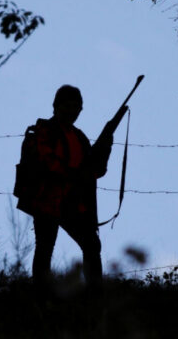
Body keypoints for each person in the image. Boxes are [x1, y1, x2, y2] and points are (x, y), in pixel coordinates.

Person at [16, 85, 120, 289]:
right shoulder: (43, 130)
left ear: (80, 110)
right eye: (66, 106)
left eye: (76, 107)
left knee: (91, 245)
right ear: (55, 106)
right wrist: (73, 174)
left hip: (74, 203)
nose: (71, 111)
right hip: (47, 199)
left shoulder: (79, 137)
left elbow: (95, 172)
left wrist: (105, 146)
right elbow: (46, 162)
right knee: (45, 247)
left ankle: (94, 293)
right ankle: (41, 292)